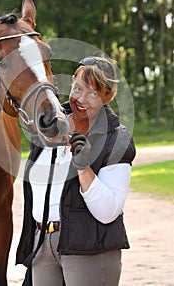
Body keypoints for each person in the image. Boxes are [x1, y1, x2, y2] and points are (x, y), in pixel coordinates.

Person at [16, 56, 136, 286]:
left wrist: (83, 166)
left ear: (108, 97)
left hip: (88, 246)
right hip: (42, 244)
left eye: (93, 94)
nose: (81, 99)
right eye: (79, 88)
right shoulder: (50, 126)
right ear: (72, 82)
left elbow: (108, 210)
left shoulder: (116, 138)